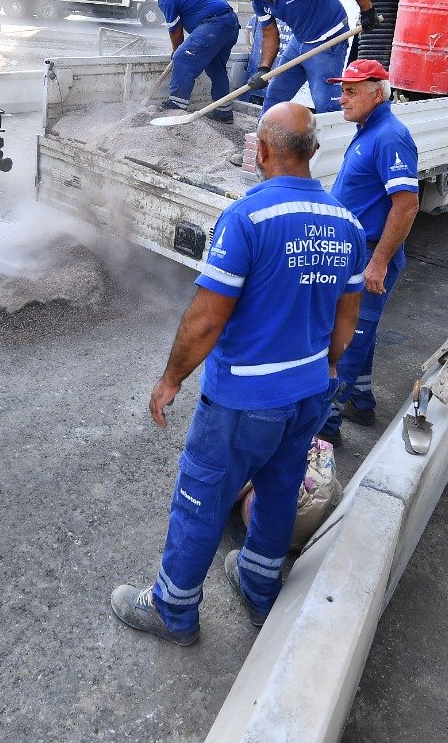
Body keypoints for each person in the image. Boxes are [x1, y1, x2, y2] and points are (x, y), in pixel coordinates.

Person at [110, 103, 365, 645]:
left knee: (201, 495)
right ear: (315, 153)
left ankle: (173, 609)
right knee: (277, 490)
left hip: (243, 401)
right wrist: (329, 367)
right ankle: (257, 583)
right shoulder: (347, 223)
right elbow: (347, 321)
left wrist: (171, 379)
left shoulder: (247, 218)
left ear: (264, 152)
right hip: (308, 392)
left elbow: (206, 318)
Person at [320, 60, 419, 443]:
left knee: (347, 338)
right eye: (342, 89)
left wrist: (377, 263)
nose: (340, 98)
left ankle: (324, 428)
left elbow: (407, 205)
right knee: (362, 331)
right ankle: (360, 401)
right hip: (357, 254)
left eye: (350, 91)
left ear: (376, 93)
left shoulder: (390, 136)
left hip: (369, 256)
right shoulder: (368, 129)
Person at [218, 0, 381, 115]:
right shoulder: (258, 1)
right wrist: (263, 69)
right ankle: (264, 139)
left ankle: (334, 140)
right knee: (275, 94)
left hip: (328, 41)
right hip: (299, 41)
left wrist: (367, 9)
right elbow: (269, 32)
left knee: (325, 105)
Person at [136, 0, 238, 123]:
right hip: (229, 22)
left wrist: (176, 54)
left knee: (182, 57)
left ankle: (176, 108)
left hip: (214, 25)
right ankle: (224, 113)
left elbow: (176, 33)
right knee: (215, 67)